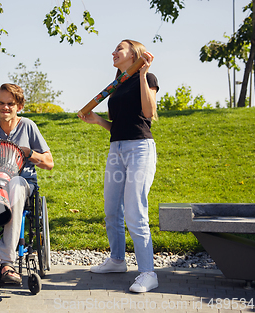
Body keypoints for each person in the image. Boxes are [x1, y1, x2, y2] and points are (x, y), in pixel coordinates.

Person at [79, 39, 159, 293]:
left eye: (119, 49)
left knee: (135, 210)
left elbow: (148, 113)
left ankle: (148, 272)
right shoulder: (118, 85)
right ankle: (117, 260)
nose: (113, 52)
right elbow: (119, 126)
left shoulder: (147, 77)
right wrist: (98, 121)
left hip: (140, 149)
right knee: (112, 209)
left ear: (133, 53)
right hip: (117, 148)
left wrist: (144, 74)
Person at [0, 83, 54, 283]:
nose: (5, 108)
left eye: (10, 104)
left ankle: (8, 262)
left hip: (21, 183)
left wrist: (30, 154)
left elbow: (49, 163)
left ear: (19, 106)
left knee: (16, 182)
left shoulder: (28, 127)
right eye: (1, 103)